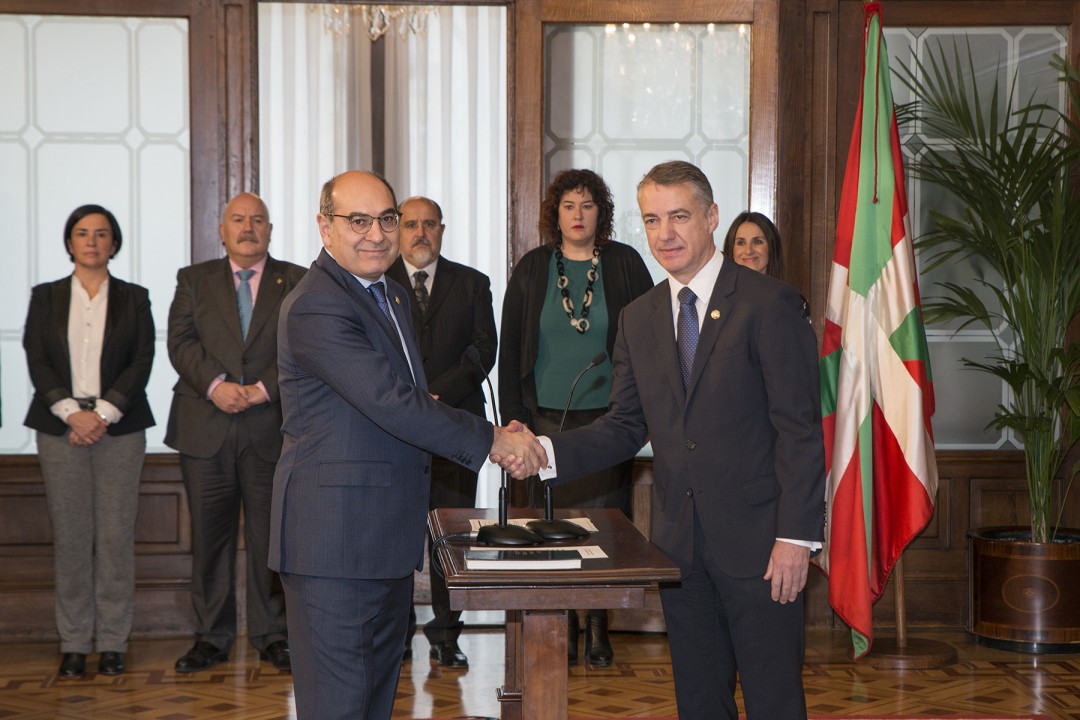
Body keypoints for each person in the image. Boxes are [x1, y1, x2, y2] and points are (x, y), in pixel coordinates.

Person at [537, 161, 826, 719]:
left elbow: (799, 430)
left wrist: (796, 538)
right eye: (652, 220)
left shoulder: (770, 303)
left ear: (711, 217)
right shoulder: (637, 317)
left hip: (763, 550)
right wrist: (547, 452)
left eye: (678, 216)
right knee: (698, 703)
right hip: (681, 551)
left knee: (774, 703)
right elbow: (625, 425)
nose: (664, 233)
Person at [268, 170, 544, 720]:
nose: (377, 234)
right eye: (358, 220)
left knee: (374, 702)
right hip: (334, 542)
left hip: (384, 537)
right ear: (325, 227)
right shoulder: (317, 305)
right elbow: (391, 402)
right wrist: (492, 438)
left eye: (386, 219)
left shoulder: (390, 294)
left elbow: (412, 398)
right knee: (339, 706)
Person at [498, 168, 653, 667]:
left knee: (605, 526)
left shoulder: (625, 264)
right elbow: (510, 348)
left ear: (601, 213)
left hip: (610, 423)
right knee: (550, 525)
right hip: (544, 421)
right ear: (556, 214)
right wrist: (512, 423)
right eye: (569, 206)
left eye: (588, 205)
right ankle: (560, 621)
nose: (578, 215)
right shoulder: (533, 267)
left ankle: (598, 625)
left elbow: (650, 339)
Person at [165, 192, 305, 673]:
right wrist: (215, 386)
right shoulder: (194, 279)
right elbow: (180, 342)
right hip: (206, 427)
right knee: (210, 540)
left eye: (258, 220)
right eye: (238, 220)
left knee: (272, 540)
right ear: (221, 230)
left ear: (270, 230)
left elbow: (305, 344)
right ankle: (211, 637)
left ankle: (273, 635)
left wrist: (265, 388)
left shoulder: (297, 280)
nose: (248, 228)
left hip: (272, 428)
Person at [23, 204, 155, 679]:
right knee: (72, 539)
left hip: (120, 429)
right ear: (69, 242)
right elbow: (37, 358)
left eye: (101, 233)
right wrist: (72, 414)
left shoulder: (134, 298)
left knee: (115, 538)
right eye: (82, 233)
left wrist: (100, 415)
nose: (92, 241)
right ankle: (75, 642)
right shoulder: (46, 296)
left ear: (113, 243)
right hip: (60, 430)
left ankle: (114, 641)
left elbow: (141, 360)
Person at [386, 196, 498, 669]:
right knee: (395, 533)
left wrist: (435, 395)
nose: (420, 233)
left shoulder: (472, 283)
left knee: (451, 535)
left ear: (442, 230)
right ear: (398, 230)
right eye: (411, 224)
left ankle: (446, 633)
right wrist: (413, 398)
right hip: (393, 430)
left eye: (429, 224)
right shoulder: (377, 280)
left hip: (455, 426)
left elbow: (483, 350)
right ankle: (395, 633)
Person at [723, 210, 810, 321]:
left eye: (758, 242)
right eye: (741, 243)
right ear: (731, 250)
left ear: (771, 248)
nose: (748, 251)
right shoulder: (719, 302)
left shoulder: (791, 302)